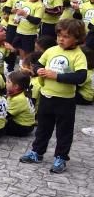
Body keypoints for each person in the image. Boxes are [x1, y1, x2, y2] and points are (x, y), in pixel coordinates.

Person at [20, 19, 88, 173]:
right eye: (59, 36)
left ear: (77, 39)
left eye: (66, 36)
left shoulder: (78, 56)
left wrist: (56, 76)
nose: (61, 39)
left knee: (64, 131)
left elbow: (80, 77)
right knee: (43, 127)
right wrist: (38, 70)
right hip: (47, 96)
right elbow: (37, 63)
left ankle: (61, 157)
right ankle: (37, 152)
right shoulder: (51, 50)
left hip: (65, 100)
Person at [4, 71, 36, 137]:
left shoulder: (18, 99)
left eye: (8, 82)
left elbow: (6, 115)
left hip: (23, 127)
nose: (6, 83)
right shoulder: (22, 92)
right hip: (28, 125)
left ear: (16, 86)